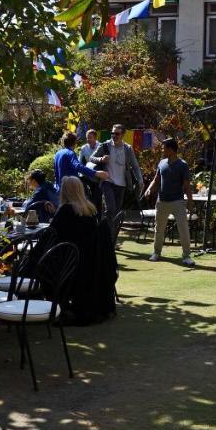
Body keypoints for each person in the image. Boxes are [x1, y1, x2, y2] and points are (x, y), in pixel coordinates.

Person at [50, 176, 118, 322]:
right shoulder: (90, 209)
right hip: (91, 261)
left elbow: (52, 234)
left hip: (72, 263)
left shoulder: (65, 211)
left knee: (41, 261)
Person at [144, 137, 195, 266]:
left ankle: (186, 256)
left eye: (164, 148)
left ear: (171, 150)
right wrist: (149, 189)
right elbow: (156, 180)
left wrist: (190, 201)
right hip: (162, 201)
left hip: (178, 201)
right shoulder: (161, 163)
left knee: (183, 229)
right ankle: (156, 253)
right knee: (159, 228)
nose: (162, 150)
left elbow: (187, 185)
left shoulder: (182, 165)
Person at [89, 123, 143, 242]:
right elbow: (91, 158)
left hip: (122, 185)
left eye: (117, 133)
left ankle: (112, 239)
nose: (114, 135)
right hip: (107, 182)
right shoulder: (105, 145)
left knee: (117, 213)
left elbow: (135, 166)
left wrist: (140, 180)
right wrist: (101, 159)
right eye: (112, 133)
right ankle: (106, 237)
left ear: (123, 134)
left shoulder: (127, 148)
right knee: (111, 209)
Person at [54, 132, 109, 197]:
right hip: (70, 189)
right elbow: (78, 166)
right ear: (74, 143)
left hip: (59, 189)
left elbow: (56, 172)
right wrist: (96, 173)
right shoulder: (70, 153)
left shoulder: (58, 154)